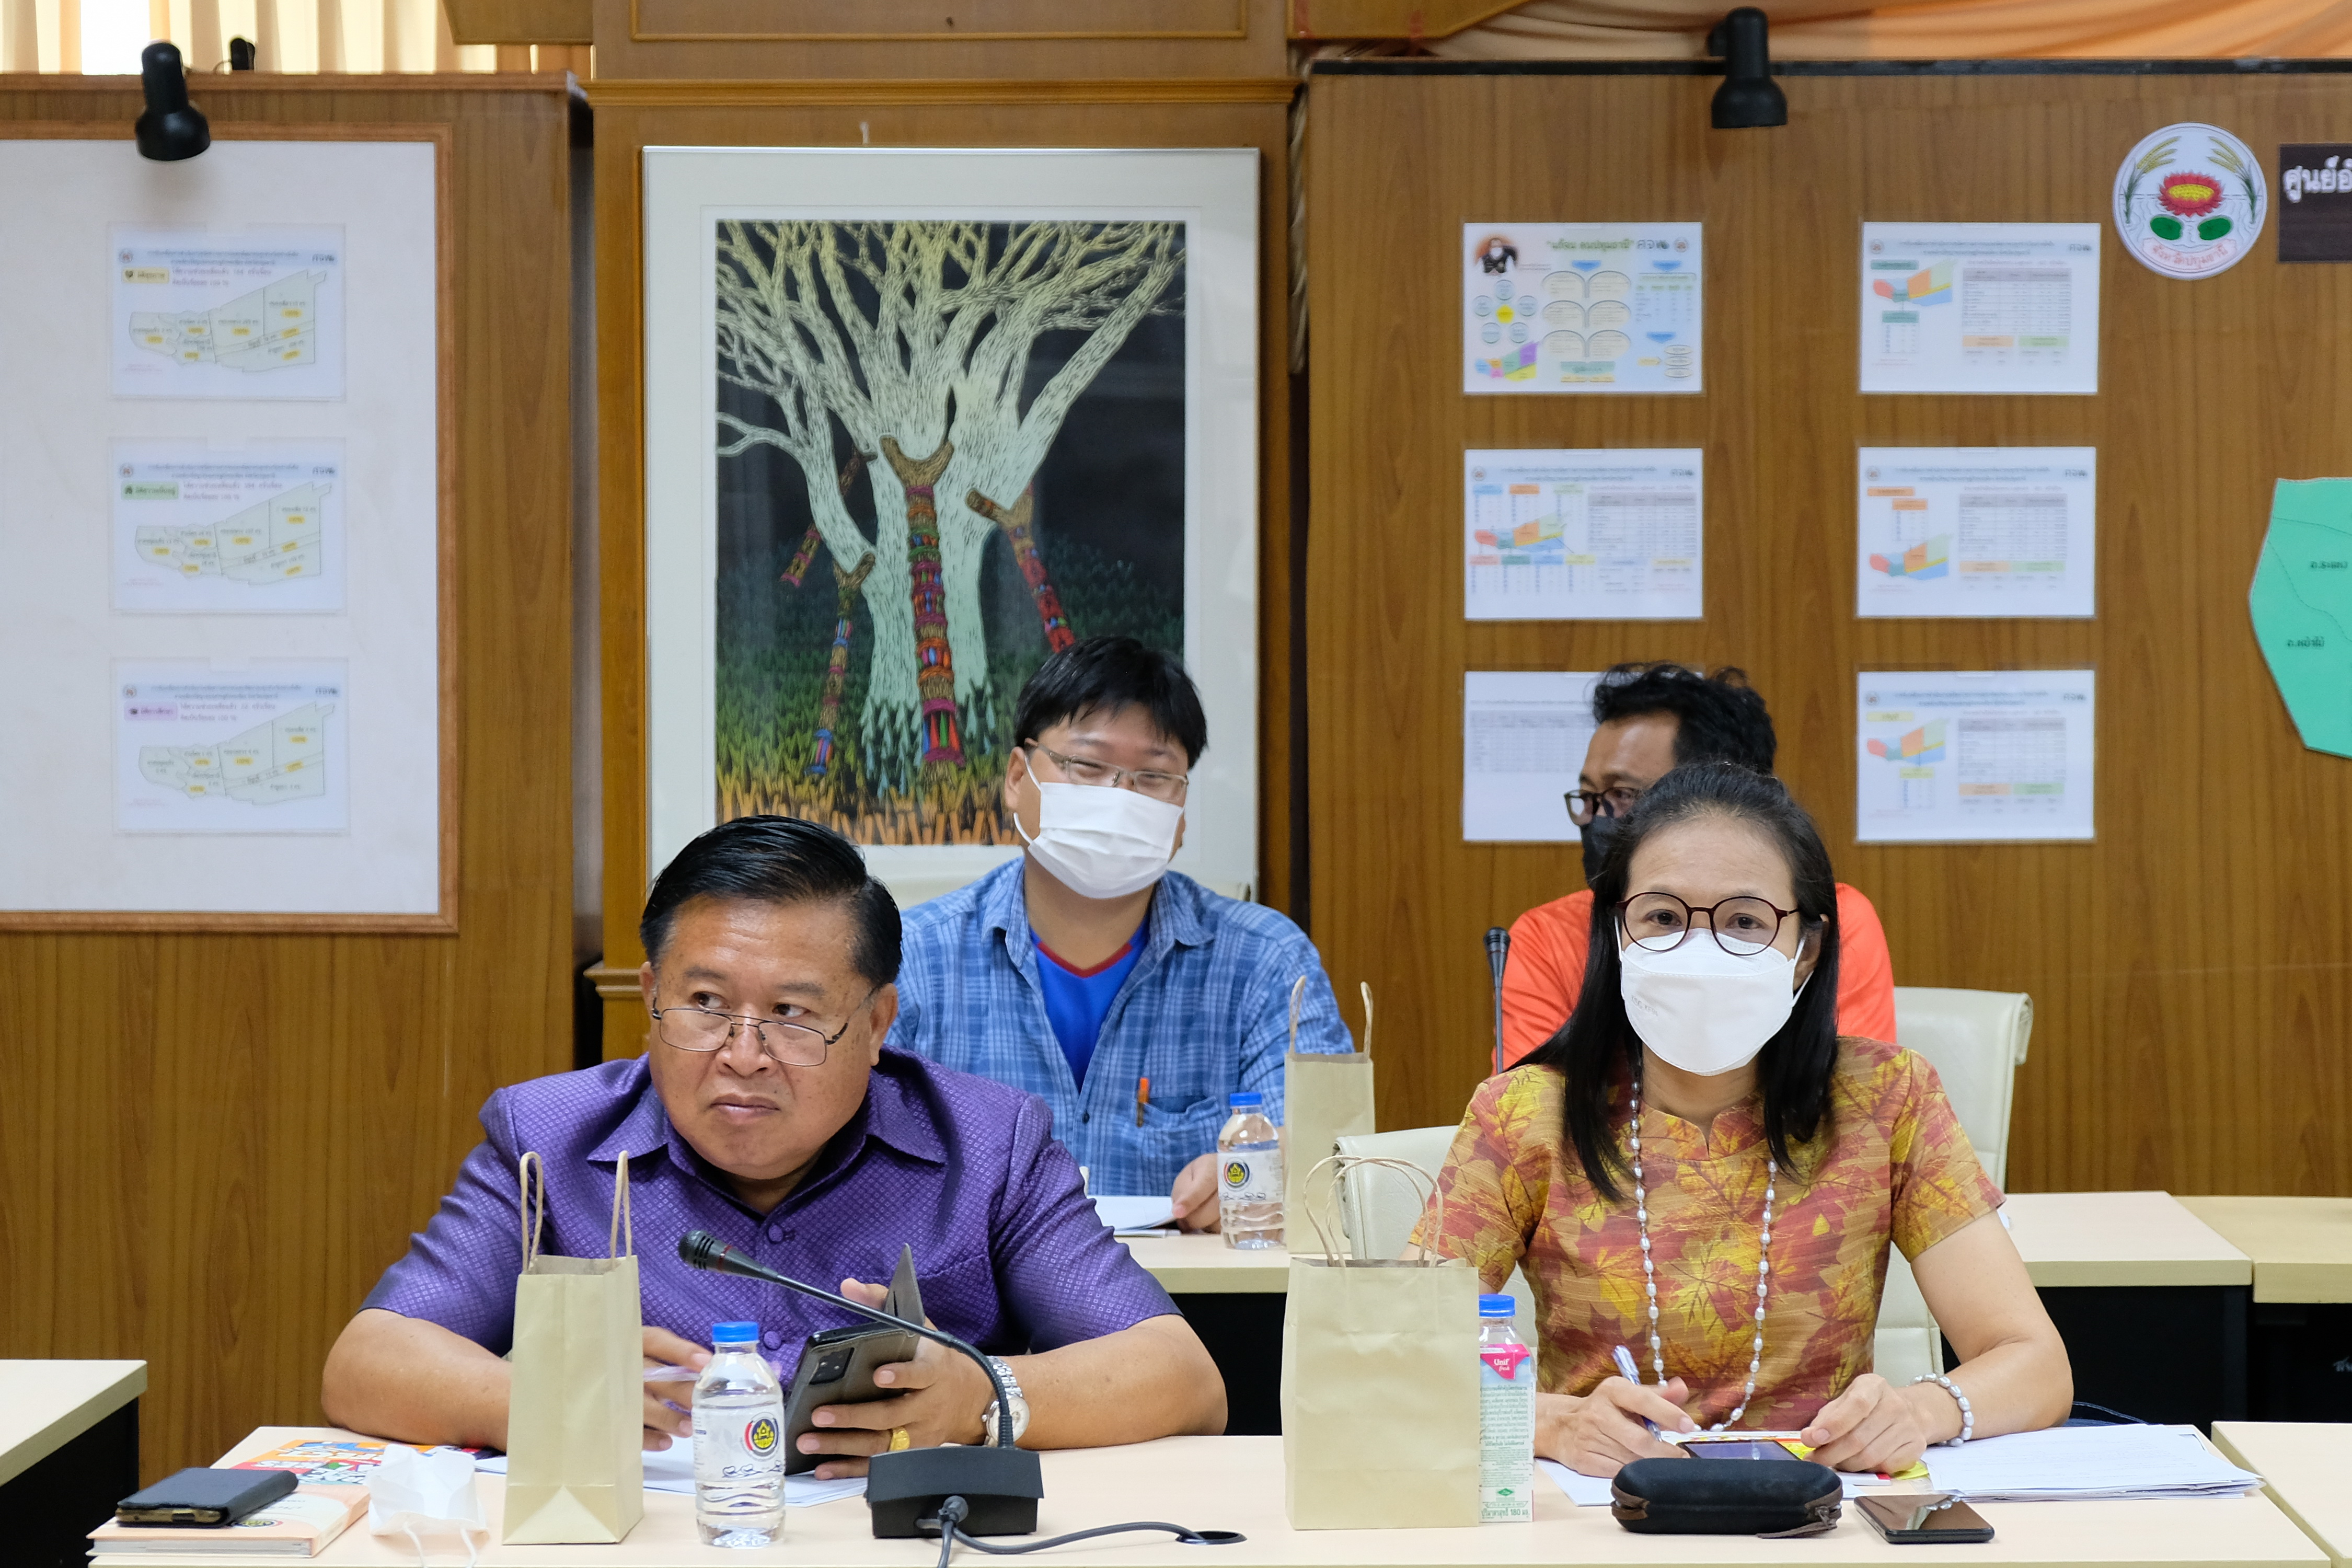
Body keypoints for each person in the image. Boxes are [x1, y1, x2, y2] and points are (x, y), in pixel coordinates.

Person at [321, 815, 1226, 1474]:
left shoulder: (988, 1146)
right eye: (706, 1005)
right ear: (652, 998)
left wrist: (981, 1399)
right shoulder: (548, 1143)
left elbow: (1182, 1378)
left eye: (793, 1014)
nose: (743, 1056)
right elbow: (368, 1363)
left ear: (877, 1022)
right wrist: (554, 1397)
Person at [1417, 763, 2070, 1478]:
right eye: (1663, 918)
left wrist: (1920, 1411)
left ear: (1806, 951)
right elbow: (1402, 1355)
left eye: (1745, 922)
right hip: (1598, 1510)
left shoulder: (1887, 1098)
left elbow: (2035, 1363)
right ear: (1617, 931)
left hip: (1827, 1510)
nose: (1701, 951)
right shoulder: (1523, 1113)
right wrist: (1551, 1422)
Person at [891, 636, 1352, 1228]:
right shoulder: (913, 960)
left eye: (1153, 777)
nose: (1119, 798)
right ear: (1017, 778)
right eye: (1087, 766)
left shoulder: (1266, 962)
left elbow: (1327, 1158)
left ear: (1181, 810)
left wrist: (1278, 1170)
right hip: (983, 1290)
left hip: (1198, 1288)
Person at [1501, 663, 1896, 1067]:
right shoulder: (1547, 935)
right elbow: (1535, 1096)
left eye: (1624, 794)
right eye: (1589, 795)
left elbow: (1852, 1087)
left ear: (1722, 791)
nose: (1598, 817)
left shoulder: (1821, 921)